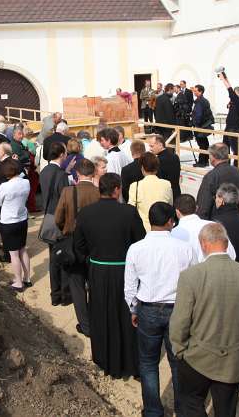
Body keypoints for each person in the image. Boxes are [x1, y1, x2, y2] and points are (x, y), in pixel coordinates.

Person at [169, 222, 239, 417]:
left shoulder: (191, 276)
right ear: (226, 244)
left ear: (204, 244)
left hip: (196, 357)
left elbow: (180, 321)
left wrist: (180, 350)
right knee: (226, 410)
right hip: (233, 358)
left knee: (192, 404)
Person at [124, 202, 195, 417]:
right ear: (170, 222)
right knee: (178, 363)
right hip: (177, 310)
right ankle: (183, 409)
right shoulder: (184, 248)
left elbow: (130, 285)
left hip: (148, 309)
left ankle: (153, 411)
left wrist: (133, 309)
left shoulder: (136, 248)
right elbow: (193, 282)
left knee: (148, 363)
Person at [74, 172, 146, 378]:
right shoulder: (128, 212)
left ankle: (105, 359)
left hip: (98, 271)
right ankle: (130, 362)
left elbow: (79, 246)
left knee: (101, 314)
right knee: (127, 315)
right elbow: (140, 242)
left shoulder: (86, 213)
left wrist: (89, 262)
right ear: (116, 190)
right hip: (125, 271)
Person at [54, 158, 100, 337]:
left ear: (77, 174)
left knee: (77, 285)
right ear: (94, 173)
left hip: (73, 241)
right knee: (94, 283)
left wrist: (66, 230)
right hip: (94, 243)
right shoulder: (98, 192)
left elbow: (58, 218)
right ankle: (97, 319)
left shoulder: (68, 192)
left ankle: (86, 325)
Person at [39, 141, 70, 306]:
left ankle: (55, 294)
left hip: (48, 218)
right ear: (61, 155)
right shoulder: (61, 175)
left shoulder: (44, 171)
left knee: (53, 258)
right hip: (60, 220)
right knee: (63, 257)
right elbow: (64, 200)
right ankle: (64, 295)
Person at [0, 159, 31, 292]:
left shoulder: (5, 186)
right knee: (22, 249)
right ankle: (27, 278)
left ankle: (18, 282)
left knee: (14, 254)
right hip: (22, 219)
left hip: (9, 221)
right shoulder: (26, 182)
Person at [172, 194, 236, 262]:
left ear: (177, 212)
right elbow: (231, 254)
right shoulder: (215, 226)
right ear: (196, 208)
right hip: (218, 269)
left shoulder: (173, 234)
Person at [195, 143, 239, 220]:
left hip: (216, 222)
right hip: (236, 218)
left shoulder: (211, 176)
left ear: (213, 157)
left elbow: (203, 205)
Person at [211, 183, 239, 268]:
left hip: (229, 272)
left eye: (216, 197)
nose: (215, 200)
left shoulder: (217, 223)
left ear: (221, 200)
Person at [128, 152, 173, 231]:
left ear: (142, 168)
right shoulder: (166, 184)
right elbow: (170, 205)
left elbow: (130, 210)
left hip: (143, 230)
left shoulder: (135, 186)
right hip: (162, 228)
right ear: (157, 168)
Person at [219, 73, 239, 163]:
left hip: (233, 128)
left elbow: (229, 90)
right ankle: (227, 164)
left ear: (238, 94)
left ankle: (236, 166)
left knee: (235, 149)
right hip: (229, 127)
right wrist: (226, 78)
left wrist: (223, 80)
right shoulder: (237, 101)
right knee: (225, 147)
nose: (232, 95)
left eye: (235, 93)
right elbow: (231, 90)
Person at [147, 133, 181, 199]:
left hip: (164, 195)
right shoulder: (175, 156)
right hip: (176, 193)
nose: (150, 149)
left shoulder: (157, 160)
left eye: (152, 146)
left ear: (160, 145)